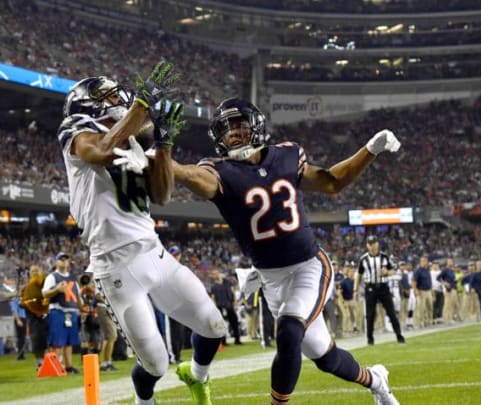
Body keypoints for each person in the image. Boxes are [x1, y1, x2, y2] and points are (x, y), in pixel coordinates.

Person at [169, 98, 400, 404]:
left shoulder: (287, 156)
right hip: (270, 279)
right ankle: (376, 381)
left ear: (257, 124)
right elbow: (189, 176)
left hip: (309, 266)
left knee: (289, 331)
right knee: (325, 357)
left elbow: (333, 183)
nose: (234, 133)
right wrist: (159, 158)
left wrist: (370, 149)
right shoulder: (219, 171)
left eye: (240, 124)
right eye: (227, 129)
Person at [58, 61, 226, 405]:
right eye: (104, 94)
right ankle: (143, 402)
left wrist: (163, 144)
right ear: (85, 102)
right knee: (155, 363)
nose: (117, 96)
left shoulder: (135, 135)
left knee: (214, 326)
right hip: (115, 267)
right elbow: (102, 151)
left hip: (155, 253)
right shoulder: (76, 129)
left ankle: (196, 377)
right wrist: (142, 106)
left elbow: (161, 195)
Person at [354, 236, 405, 345]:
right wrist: (356, 290)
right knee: (370, 314)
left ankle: (399, 336)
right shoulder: (364, 259)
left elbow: (393, 271)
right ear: (367, 245)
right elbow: (358, 275)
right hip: (370, 287)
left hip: (383, 286)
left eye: (374, 243)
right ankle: (370, 339)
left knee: (391, 312)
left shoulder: (384, 257)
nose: (372, 246)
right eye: (370, 243)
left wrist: (386, 272)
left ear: (377, 244)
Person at [42, 252, 82, 374]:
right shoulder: (52, 277)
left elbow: (78, 296)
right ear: (56, 262)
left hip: (71, 311)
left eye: (66, 259)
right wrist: (56, 290)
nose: (64, 261)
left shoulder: (73, 278)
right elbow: (44, 293)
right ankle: (56, 366)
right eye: (61, 259)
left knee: (69, 342)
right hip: (58, 310)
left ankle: (69, 366)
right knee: (57, 342)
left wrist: (82, 308)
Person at [20, 264, 49, 370]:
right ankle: (39, 363)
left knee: (48, 340)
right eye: (33, 271)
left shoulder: (46, 285)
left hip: (46, 316)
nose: (35, 273)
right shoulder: (26, 287)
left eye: (37, 271)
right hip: (33, 318)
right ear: (30, 274)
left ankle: (49, 362)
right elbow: (21, 303)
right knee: (37, 340)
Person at [209, 269, 242, 346]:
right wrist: (215, 308)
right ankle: (223, 341)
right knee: (222, 325)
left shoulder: (227, 283)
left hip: (230, 305)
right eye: (214, 274)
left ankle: (237, 340)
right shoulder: (213, 286)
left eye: (217, 273)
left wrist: (235, 304)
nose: (216, 275)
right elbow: (213, 298)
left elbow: (233, 293)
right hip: (220, 307)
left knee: (234, 323)